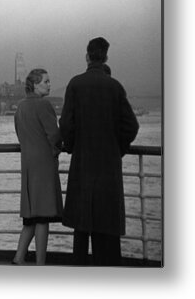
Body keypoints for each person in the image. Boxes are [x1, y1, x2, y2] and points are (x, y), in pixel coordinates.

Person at [59, 37, 139, 266]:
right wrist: (118, 149)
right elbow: (131, 126)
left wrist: (73, 146)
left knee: (81, 230)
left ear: (87, 56)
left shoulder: (75, 84)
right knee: (108, 231)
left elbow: (65, 125)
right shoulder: (115, 87)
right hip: (108, 170)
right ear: (106, 57)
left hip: (83, 167)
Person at [12, 68, 63, 266]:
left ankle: (19, 257)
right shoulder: (44, 105)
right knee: (42, 216)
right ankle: (40, 264)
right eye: (46, 81)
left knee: (31, 216)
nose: (49, 84)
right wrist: (57, 149)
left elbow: (20, 133)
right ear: (35, 84)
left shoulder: (20, 107)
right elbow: (55, 135)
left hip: (28, 164)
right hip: (44, 165)